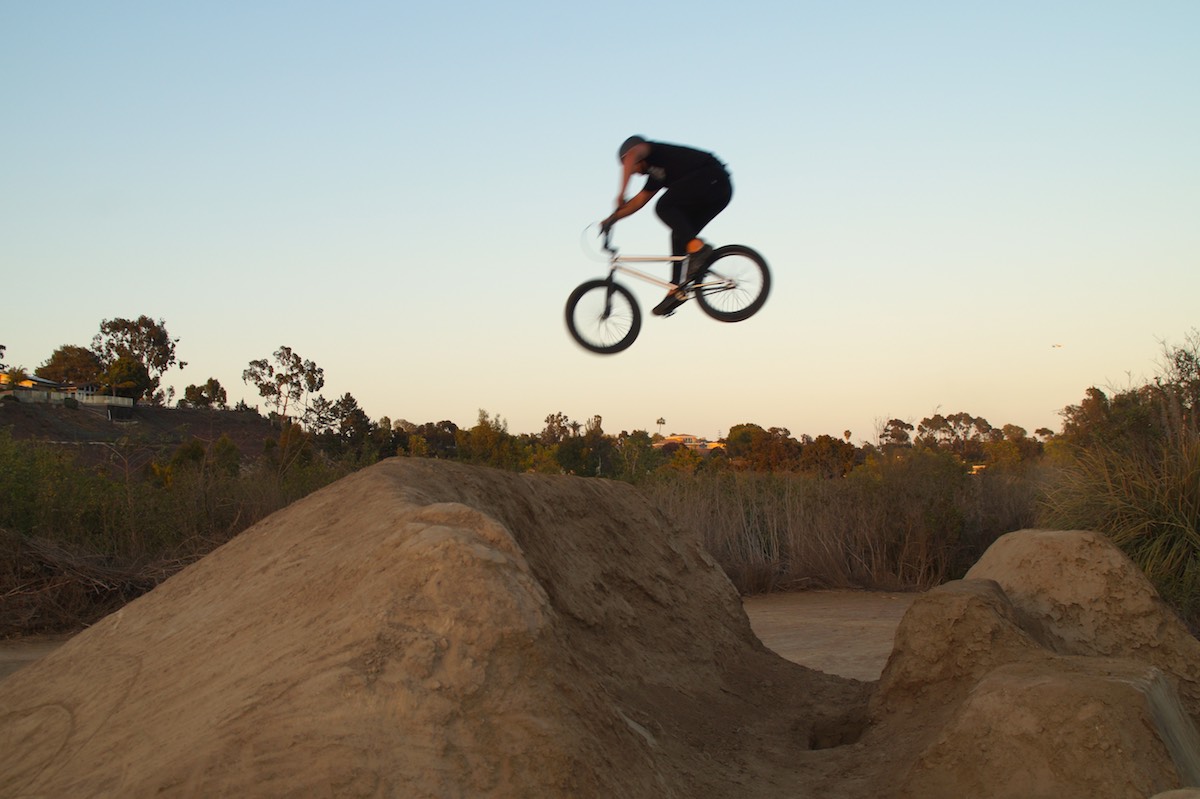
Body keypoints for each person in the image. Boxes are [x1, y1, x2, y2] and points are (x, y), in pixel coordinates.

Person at [600, 136, 733, 316]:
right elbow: (638, 202)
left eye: (631, 168)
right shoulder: (656, 175)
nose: (633, 173)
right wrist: (611, 219)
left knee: (664, 207)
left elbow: (632, 155)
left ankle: (699, 250)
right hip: (716, 193)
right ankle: (675, 289)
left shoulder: (651, 150)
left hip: (712, 177)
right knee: (679, 234)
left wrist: (621, 192)